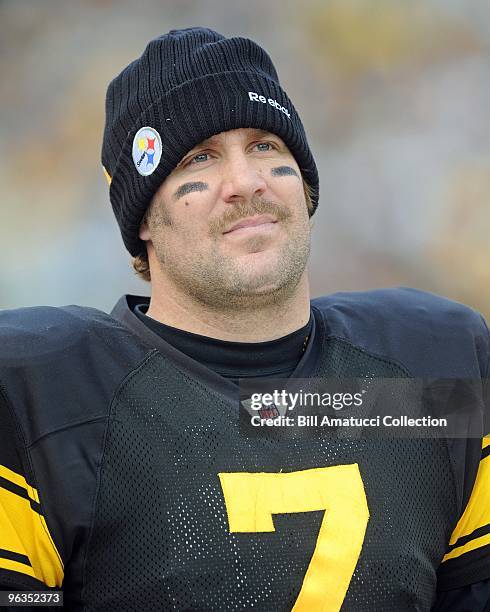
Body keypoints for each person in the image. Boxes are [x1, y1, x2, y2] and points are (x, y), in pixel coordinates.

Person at [0, 27, 488, 612]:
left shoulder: (431, 372)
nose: (245, 182)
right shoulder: (45, 395)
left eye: (265, 147)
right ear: (144, 221)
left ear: (304, 186)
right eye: (197, 158)